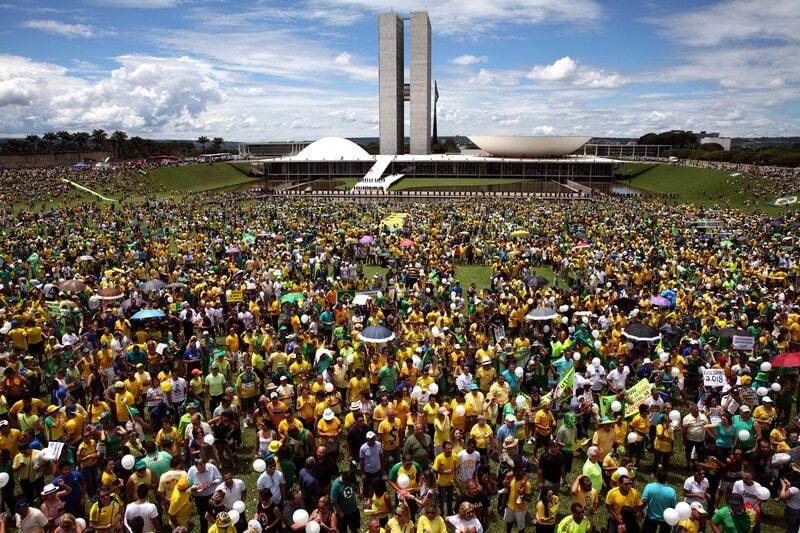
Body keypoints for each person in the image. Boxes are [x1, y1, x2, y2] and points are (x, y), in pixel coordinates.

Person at [642, 469, 678, 533]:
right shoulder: (672, 491)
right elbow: (673, 507)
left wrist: (639, 510)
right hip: (666, 519)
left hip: (651, 518)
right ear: (666, 478)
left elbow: (644, 501)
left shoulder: (649, 487)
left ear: (656, 477)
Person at [503, 462, 532, 533]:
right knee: (509, 522)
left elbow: (529, 499)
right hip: (510, 506)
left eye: (517, 471)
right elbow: (509, 487)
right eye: (514, 471)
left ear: (522, 470)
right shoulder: (513, 477)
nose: (515, 473)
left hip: (520, 510)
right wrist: (506, 484)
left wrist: (522, 494)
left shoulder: (527, 484)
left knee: (521, 528)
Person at [432, 440, 459, 516]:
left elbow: (457, 465)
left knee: (450, 500)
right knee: (441, 501)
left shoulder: (454, 456)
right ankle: (441, 515)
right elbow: (434, 470)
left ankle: (450, 514)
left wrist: (456, 475)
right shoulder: (439, 458)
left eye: (451, 448)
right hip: (441, 484)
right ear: (443, 449)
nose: (450, 450)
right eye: (448, 449)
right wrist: (444, 472)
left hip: (451, 483)